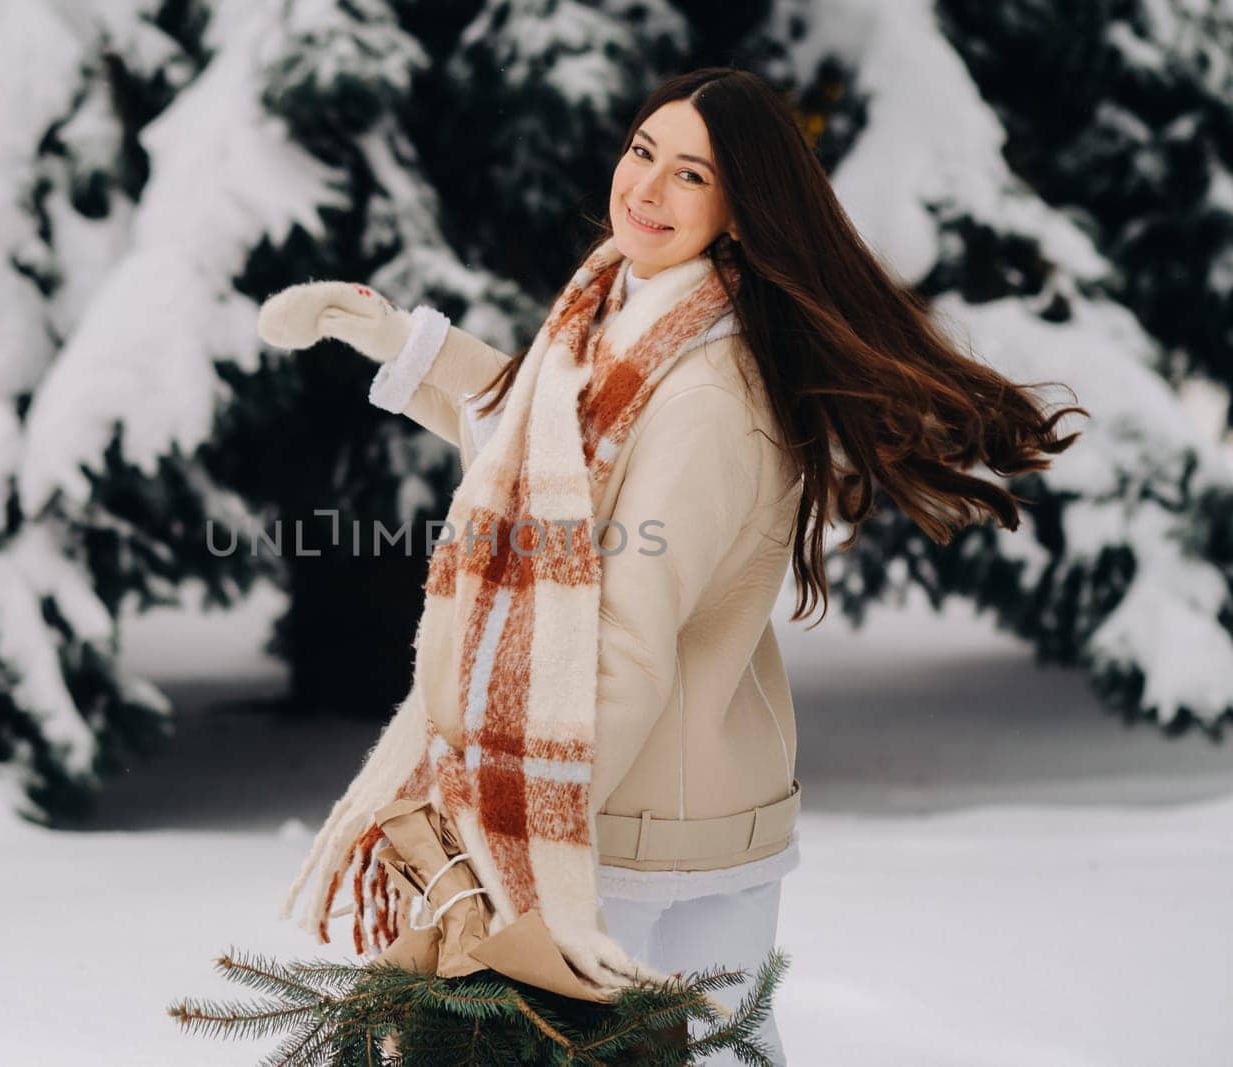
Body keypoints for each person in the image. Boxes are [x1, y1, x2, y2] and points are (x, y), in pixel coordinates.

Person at [258, 66, 1086, 1064]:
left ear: (739, 210)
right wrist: (403, 346)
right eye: (642, 151)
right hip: (694, 796)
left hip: (633, 817)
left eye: (688, 175)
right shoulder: (628, 316)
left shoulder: (705, 393)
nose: (644, 189)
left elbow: (624, 632)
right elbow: (544, 438)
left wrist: (505, 817)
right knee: (730, 1049)